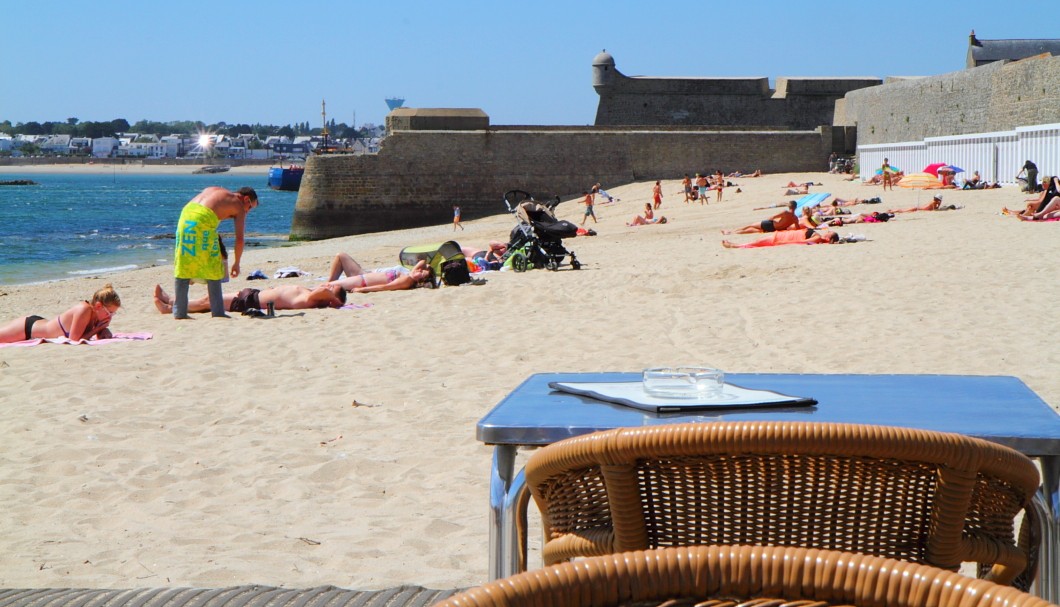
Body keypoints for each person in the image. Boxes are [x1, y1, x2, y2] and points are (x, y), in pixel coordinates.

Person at [172, 185, 258, 319]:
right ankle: (218, 312)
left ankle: (179, 312)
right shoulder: (239, 205)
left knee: (184, 262)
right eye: (250, 207)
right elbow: (240, 239)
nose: (248, 212)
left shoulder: (217, 190)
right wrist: (236, 263)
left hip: (186, 215)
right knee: (214, 264)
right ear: (246, 199)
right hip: (202, 219)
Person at [0, 284, 121, 343]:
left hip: (41, 324)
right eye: (109, 313)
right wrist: (98, 329)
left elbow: (97, 336)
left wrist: (103, 330)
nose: (110, 317)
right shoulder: (84, 310)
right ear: (99, 306)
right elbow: (74, 340)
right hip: (27, 328)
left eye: (112, 314)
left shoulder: (95, 315)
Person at [153, 283, 345, 315]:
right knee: (208, 299)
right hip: (252, 294)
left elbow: (329, 296)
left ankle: (170, 306)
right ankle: (172, 301)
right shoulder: (311, 294)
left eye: (330, 289)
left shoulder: (311, 299)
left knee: (209, 302)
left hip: (250, 302)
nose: (327, 285)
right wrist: (332, 290)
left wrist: (334, 297)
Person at [325, 253, 434, 292]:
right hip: (364, 275)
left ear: (420, 281)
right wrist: (428, 270)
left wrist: (362, 289)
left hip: (362, 278)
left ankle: (329, 286)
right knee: (330, 284)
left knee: (340, 256)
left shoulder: (406, 280)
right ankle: (329, 286)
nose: (420, 269)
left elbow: (385, 287)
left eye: (422, 272)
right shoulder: (410, 274)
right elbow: (424, 262)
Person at [722, 200, 799, 234]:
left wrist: (769, 219)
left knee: (751, 225)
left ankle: (731, 232)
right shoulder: (795, 218)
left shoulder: (785, 212)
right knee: (753, 230)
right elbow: (797, 228)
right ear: (795, 207)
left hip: (770, 225)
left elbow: (772, 217)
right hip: (775, 229)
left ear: (789, 206)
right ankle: (734, 232)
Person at [722, 228, 840, 248]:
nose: (828, 232)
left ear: (830, 239)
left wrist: (783, 242)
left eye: (830, 233)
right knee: (758, 242)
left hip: (781, 238)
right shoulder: (818, 237)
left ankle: (735, 245)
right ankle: (735, 245)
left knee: (757, 243)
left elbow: (801, 242)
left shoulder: (817, 238)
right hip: (782, 235)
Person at [888, 195, 960, 213]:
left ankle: (892, 210)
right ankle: (892, 211)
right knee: (903, 211)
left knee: (903, 211)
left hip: (918, 208)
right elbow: (935, 209)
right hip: (917, 209)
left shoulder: (934, 202)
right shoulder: (934, 203)